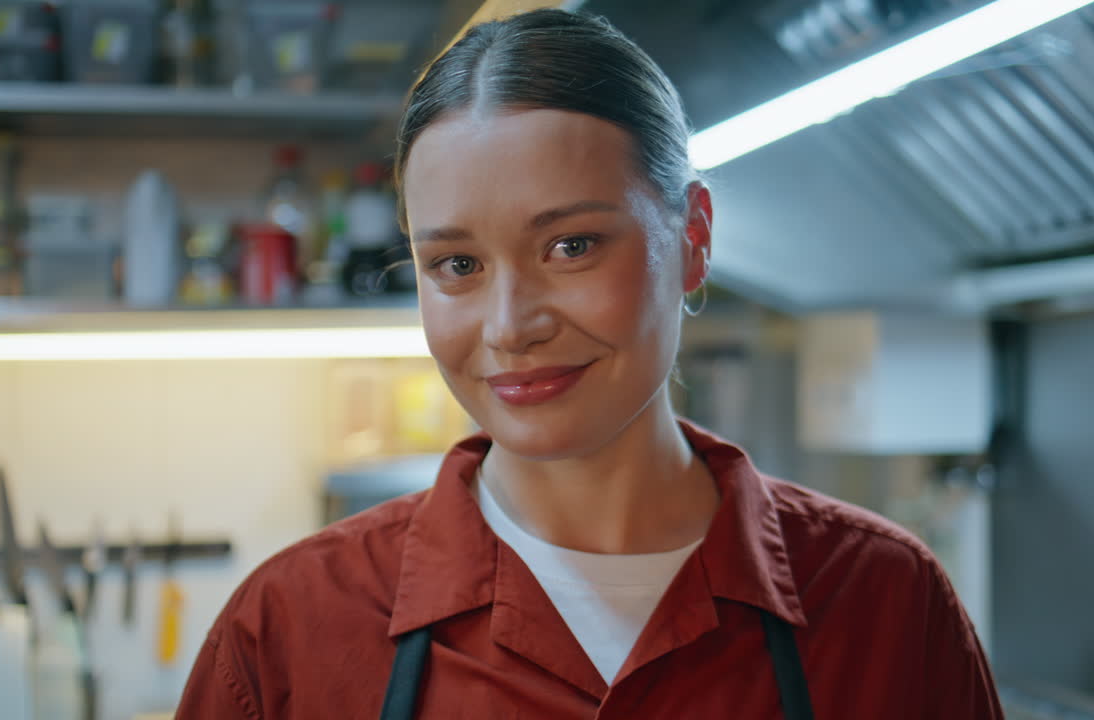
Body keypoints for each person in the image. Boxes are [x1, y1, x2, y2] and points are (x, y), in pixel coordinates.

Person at [175, 9, 1003, 719]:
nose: (509, 327)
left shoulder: (888, 602)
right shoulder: (288, 632)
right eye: (456, 266)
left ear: (694, 238)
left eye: (570, 247)